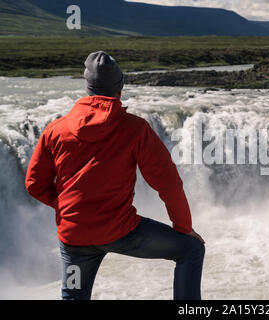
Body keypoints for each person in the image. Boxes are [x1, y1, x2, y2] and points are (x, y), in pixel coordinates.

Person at [25, 51, 205, 300]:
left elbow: (34, 184)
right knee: (191, 249)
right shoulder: (135, 128)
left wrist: (64, 205)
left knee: (73, 295)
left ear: (88, 88)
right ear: (119, 88)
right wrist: (183, 227)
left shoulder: (56, 130)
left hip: (75, 238)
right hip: (123, 233)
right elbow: (168, 183)